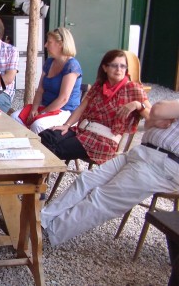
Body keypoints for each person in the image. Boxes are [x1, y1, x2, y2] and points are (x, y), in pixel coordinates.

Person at [42, 99, 179, 246]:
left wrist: (158, 116)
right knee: (87, 180)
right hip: (142, 150)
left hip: (164, 163)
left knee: (102, 199)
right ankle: (41, 221)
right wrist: (155, 120)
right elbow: (151, 119)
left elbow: (157, 111)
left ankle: (48, 234)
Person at [39, 49, 151, 165]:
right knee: (44, 137)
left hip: (103, 141)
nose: (119, 69)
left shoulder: (133, 88)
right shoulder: (99, 85)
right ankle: (39, 178)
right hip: (82, 130)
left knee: (54, 149)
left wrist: (138, 105)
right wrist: (66, 125)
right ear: (105, 68)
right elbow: (81, 107)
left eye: (123, 66)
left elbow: (152, 117)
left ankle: (39, 180)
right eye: (114, 65)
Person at [11, 27, 82, 134]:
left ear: (60, 44)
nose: (45, 45)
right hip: (45, 107)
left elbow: (63, 99)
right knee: (15, 117)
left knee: (37, 124)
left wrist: (42, 113)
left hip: (65, 111)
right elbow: (40, 90)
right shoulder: (49, 62)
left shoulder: (71, 66)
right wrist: (34, 109)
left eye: (49, 42)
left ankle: (39, 149)